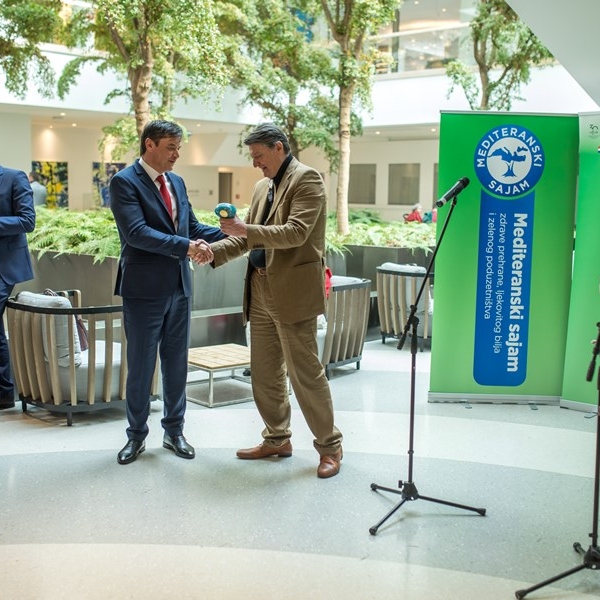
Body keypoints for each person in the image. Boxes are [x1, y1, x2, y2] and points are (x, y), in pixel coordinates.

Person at [203, 123, 343, 478]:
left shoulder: (307, 180)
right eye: (252, 157)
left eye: (259, 155)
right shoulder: (261, 187)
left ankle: (330, 447)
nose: (255, 163)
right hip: (259, 288)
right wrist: (211, 251)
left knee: (305, 373)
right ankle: (277, 438)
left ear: (279, 147)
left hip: (293, 291)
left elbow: (296, 233)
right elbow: (247, 239)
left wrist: (244, 229)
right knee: (265, 373)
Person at [109, 119, 224, 465]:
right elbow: (136, 233)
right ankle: (136, 436)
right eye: (171, 147)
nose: (177, 154)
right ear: (149, 144)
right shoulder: (124, 181)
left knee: (176, 366)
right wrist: (188, 247)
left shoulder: (177, 182)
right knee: (141, 367)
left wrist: (235, 232)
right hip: (144, 290)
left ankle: (175, 432)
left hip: (180, 287)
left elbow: (191, 227)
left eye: (179, 147)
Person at [0, 165, 36, 409]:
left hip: (5, 264)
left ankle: (4, 392)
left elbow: (27, 221)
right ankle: (4, 393)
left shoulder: (14, 177)